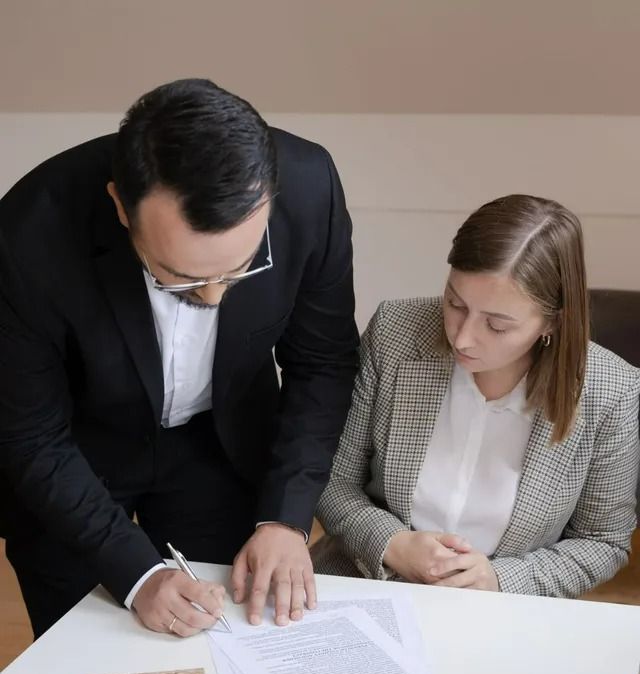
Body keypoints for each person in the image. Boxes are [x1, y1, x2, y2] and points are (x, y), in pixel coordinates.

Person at [0, 78, 359, 639]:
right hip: (74, 456)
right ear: (122, 206)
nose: (214, 297)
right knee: (80, 657)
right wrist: (139, 576)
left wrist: (286, 518)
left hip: (222, 444)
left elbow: (323, 363)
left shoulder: (311, 189)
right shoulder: (27, 233)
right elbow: (30, 435)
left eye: (237, 270)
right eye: (183, 279)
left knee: (226, 639)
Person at [313, 194, 639, 597]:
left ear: (553, 321)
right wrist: (392, 544)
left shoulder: (612, 391)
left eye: (497, 325)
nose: (463, 337)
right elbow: (332, 476)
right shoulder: (394, 332)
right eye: (455, 303)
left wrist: (498, 580)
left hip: (503, 613)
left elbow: (602, 540)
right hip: (359, 582)